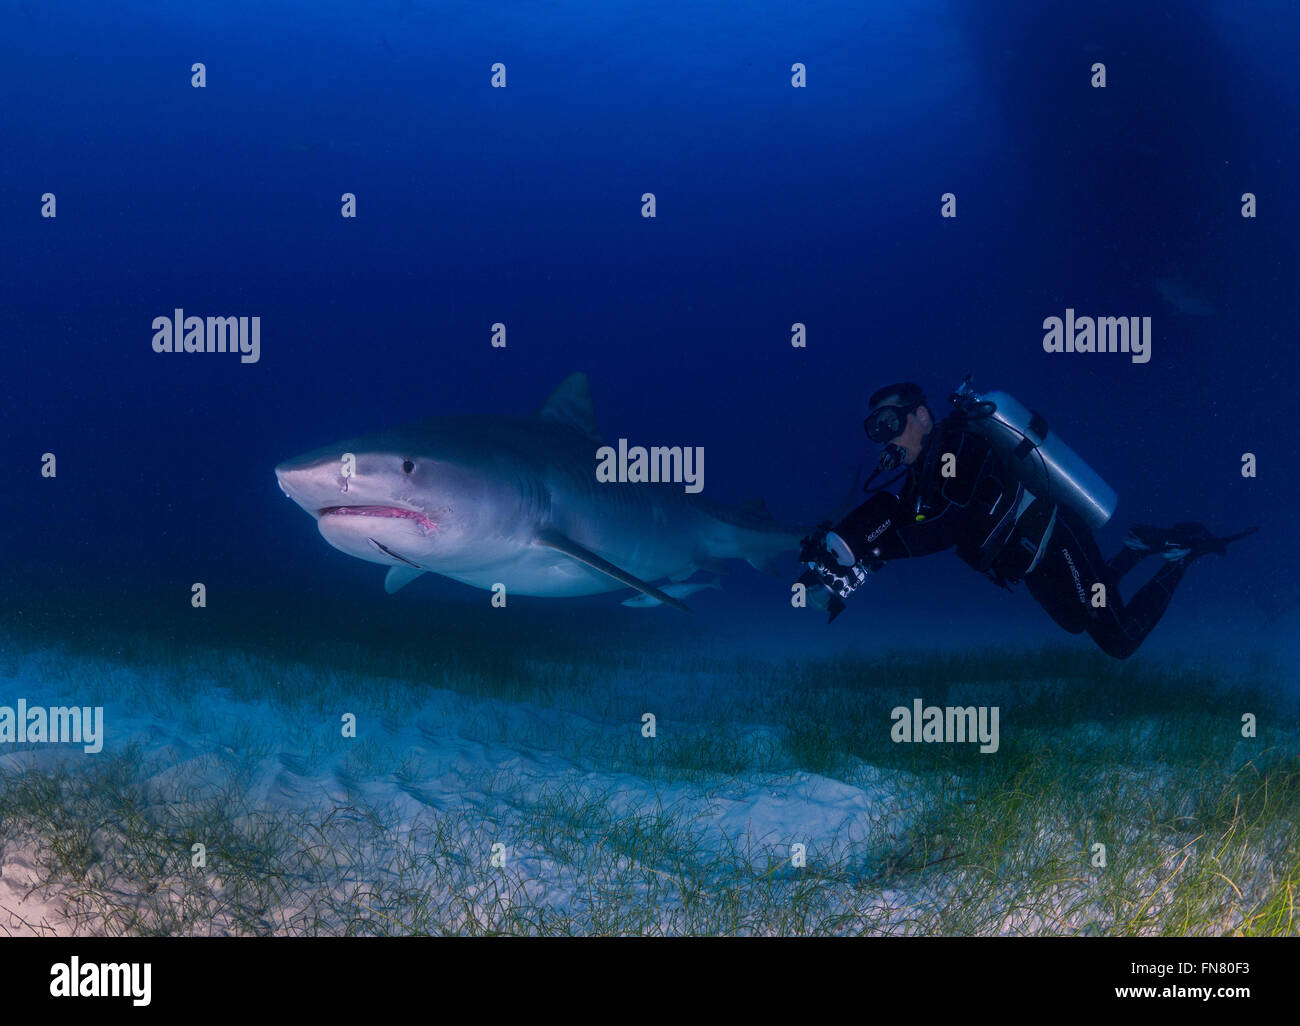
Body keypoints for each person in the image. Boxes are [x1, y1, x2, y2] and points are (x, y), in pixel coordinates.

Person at [798, 381, 1256, 658]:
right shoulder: (923, 476)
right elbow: (896, 519)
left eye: (890, 423)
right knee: (1080, 622)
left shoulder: (956, 445)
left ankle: (1183, 556)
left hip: (1055, 540)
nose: (885, 439)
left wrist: (869, 550)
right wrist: (845, 551)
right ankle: (1135, 550)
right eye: (875, 430)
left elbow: (946, 526)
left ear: (920, 415)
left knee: (1118, 640)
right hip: (1031, 562)